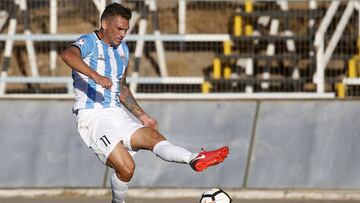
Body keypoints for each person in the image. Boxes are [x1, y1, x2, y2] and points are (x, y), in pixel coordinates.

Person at [61, 3, 229, 203]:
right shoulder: (89, 42)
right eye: (119, 28)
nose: (123, 34)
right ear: (105, 23)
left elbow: (121, 88)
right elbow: (68, 55)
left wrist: (142, 115)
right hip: (93, 116)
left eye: (126, 29)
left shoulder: (122, 49)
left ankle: (194, 158)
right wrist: (95, 76)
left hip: (116, 112)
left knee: (152, 136)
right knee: (127, 168)